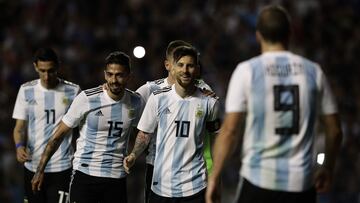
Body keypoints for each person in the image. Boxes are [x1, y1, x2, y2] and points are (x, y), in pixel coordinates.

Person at [206, 5, 343, 203]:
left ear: (258, 36)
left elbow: (229, 131)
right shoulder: (314, 72)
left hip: (258, 181)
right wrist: (327, 167)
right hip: (301, 184)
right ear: (289, 34)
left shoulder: (247, 71)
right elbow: (335, 130)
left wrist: (214, 178)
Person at [31, 51, 144, 203]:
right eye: (110, 74)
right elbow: (57, 136)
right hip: (85, 175)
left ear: (129, 75)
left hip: (116, 177)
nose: (114, 80)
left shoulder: (136, 102)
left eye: (120, 75)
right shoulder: (87, 98)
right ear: (105, 75)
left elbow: (145, 133)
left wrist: (134, 154)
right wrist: (40, 170)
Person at [124, 46, 221, 203]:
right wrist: (134, 154)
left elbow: (216, 140)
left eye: (190, 65)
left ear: (196, 69)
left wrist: (216, 176)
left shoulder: (210, 102)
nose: (185, 70)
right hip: (162, 185)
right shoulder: (157, 98)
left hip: (195, 185)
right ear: (172, 68)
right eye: (181, 65)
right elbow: (145, 133)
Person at [12, 47, 80, 203]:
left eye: (51, 71)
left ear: (58, 67)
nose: (46, 76)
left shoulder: (73, 91)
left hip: (62, 167)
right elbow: (19, 128)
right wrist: (19, 146)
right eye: (42, 70)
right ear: (35, 67)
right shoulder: (26, 90)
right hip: (32, 164)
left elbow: (82, 128)